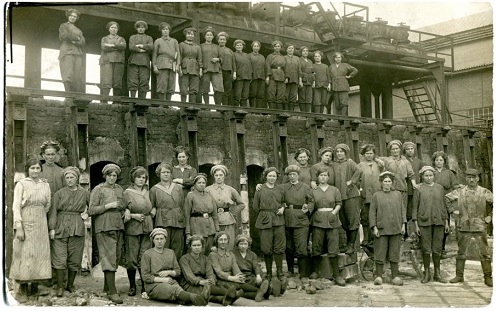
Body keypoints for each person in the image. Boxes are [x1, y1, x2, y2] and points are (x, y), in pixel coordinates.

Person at [10, 159, 52, 303]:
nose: (35, 171)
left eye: (37, 168)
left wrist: (39, 214)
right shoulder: (21, 184)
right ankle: (22, 288)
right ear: (28, 169)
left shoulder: (45, 184)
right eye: (32, 168)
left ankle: (34, 286)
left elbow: (48, 204)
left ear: (41, 170)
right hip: (25, 221)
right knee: (24, 253)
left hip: (41, 222)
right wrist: (19, 226)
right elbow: (16, 206)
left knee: (39, 254)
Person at [445, 168, 493, 287]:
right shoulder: (459, 191)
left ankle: (488, 277)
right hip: (464, 225)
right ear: (466, 178)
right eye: (468, 177)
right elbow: (446, 199)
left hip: (479, 225)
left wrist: (490, 216)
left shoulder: (484, 192)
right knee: (461, 252)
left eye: (473, 177)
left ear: (478, 179)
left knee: (484, 253)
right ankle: (459, 276)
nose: (471, 180)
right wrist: (452, 211)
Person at [48, 166, 90, 297]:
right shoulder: (59, 194)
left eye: (72, 177)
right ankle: (60, 286)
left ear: (77, 178)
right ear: (64, 179)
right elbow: (53, 212)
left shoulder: (84, 193)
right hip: (61, 225)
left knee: (75, 257)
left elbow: (93, 206)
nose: (70, 180)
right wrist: (52, 229)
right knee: (59, 257)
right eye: (67, 177)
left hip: (77, 226)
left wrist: (87, 214)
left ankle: (70, 285)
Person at [88, 163, 125, 304]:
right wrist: (107, 206)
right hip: (104, 226)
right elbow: (91, 210)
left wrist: (125, 210)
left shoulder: (120, 189)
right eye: (110, 175)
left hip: (118, 226)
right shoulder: (98, 189)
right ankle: (113, 292)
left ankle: (107, 287)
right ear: (105, 176)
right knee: (108, 256)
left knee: (115, 256)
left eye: (115, 175)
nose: (112, 177)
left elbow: (124, 204)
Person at [141, 228, 207, 305]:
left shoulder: (170, 252)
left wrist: (169, 272)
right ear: (153, 240)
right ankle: (193, 298)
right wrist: (163, 280)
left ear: (165, 240)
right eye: (157, 239)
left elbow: (178, 271)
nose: (159, 241)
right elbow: (145, 276)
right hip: (154, 285)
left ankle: (191, 299)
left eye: (162, 239)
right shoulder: (148, 254)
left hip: (171, 282)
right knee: (175, 290)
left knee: (179, 293)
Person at [252, 167, 286, 296]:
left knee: (279, 246)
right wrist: (265, 213)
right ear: (265, 177)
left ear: (277, 177)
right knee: (266, 247)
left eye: (274, 176)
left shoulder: (280, 189)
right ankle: (269, 274)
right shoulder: (260, 189)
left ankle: (279, 272)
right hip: (265, 219)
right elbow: (255, 206)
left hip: (278, 219)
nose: (272, 178)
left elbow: (284, 202)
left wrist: (283, 208)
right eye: (269, 176)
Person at [412, 166, 449, 284]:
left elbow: (444, 206)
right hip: (424, 222)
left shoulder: (440, 188)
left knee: (437, 248)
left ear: (434, 176)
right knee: (426, 248)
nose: (428, 178)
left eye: (431, 175)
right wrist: (416, 224)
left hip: (439, 221)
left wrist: (446, 221)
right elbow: (414, 208)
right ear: (422, 177)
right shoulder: (418, 189)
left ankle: (437, 273)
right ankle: (427, 273)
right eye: (426, 176)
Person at [310, 168, 346, 286]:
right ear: (318, 177)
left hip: (332, 218)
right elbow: (311, 204)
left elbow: (339, 203)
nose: (323, 177)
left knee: (333, 244)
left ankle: (336, 274)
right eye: (321, 175)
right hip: (318, 218)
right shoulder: (313, 190)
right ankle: (315, 271)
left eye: (325, 175)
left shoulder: (334, 190)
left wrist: (333, 213)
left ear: (328, 177)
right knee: (317, 244)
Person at [123, 166, 155, 298]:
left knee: (145, 256)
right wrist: (131, 213)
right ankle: (132, 285)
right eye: (138, 177)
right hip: (133, 226)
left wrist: (154, 210)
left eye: (143, 178)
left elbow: (154, 204)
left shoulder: (148, 192)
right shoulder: (127, 192)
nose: (141, 180)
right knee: (132, 258)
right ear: (133, 178)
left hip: (147, 226)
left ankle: (144, 285)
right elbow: (122, 207)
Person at [179, 234, 238, 305]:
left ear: (202, 246)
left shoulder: (205, 259)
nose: (197, 247)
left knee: (208, 288)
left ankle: (223, 299)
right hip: (190, 284)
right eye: (194, 245)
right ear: (190, 247)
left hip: (204, 281)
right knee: (206, 288)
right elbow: (189, 276)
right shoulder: (184, 259)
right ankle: (230, 294)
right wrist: (200, 281)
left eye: (199, 245)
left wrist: (211, 280)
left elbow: (210, 273)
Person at [370, 171, 405, 286]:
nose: (387, 184)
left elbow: (402, 210)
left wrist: (403, 225)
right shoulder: (376, 196)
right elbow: (372, 213)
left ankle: (395, 276)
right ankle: (379, 276)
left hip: (396, 228)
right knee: (380, 252)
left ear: (392, 182)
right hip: (381, 229)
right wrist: (374, 227)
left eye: (389, 181)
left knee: (394, 252)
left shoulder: (398, 195)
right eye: (385, 181)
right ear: (381, 183)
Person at [209, 232, 263, 303]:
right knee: (238, 286)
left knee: (240, 284)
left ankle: (259, 293)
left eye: (225, 239)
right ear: (217, 241)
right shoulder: (213, 255)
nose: (223, 242)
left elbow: (235, 268)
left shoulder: (231, 254)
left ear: (228, 241)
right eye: (220, 240)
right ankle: (260, 291)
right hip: (219, 280)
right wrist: (232, 278)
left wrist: (240, 276)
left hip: (231, 279)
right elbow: (218, 272)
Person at [281, 165, 314, 278]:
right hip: (287, 218)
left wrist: (308, 208)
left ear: (298, 175)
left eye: (294, 174)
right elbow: (276, 197)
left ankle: (303, 272)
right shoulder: (283, 187)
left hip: (301, 219)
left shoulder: (305, 187)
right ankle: (290, 270)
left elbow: (312, 201)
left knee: (301, 246)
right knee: (288, 246)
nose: (292, 176)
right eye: (290, 174)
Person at [150, 162, 186, 260]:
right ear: (159, 174)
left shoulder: (178, 188)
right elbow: (152, 205)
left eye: (168, 172)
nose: (166, 174)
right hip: (163, 220)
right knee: (163, 246)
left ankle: (175, 270)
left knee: (177, 246)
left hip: (177, 220)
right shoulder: (154, 189)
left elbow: (182, 204)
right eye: (163, 172)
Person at [205, 165, 245, 252]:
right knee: (213, 244)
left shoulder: (230, 190)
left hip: (227, 221)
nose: (218, 177)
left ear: (224, 176)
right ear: (213, 176)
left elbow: (241, 204)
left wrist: (232, 213)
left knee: (228, 243)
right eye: (216, 175)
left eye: (221, 175)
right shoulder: (207, 190)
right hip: (212, 220)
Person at [333, 143, 361, 255]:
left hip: (351, 196)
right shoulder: (334, 164)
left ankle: (351, 245)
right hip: (339, 197)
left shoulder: (350, 162)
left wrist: (352, 181)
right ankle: (347, 244)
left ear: (345, 153)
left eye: (341, 151)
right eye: (338, 152)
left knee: (353, 220)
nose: (339, 154)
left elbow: (358, 171)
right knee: (343, 221)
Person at [432, 151, 459, 259]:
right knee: (434, 224)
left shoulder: (449, 173)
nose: (439, 162)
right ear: (434, 162)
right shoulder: (431, 172)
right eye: (437, 160)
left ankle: (442, 249)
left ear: (444, 162)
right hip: (433, 201)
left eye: (441, 160)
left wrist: (451, 199)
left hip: (445, 200)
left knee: (444, 223)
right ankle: (434, 249)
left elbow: (455, 186)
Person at [184, 173, 220, 255]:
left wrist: (217, 229)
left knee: (209, 249)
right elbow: (187, 215)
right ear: (195, 184)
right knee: (198, 250)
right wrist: (188, 233)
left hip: (210, 227)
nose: (201, 185)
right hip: (197, 226)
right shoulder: (190, 196)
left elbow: (214, 214)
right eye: (199, 183)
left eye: (203, 183)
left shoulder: (209, 196)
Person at [379, 140, 418, 212]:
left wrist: (414, 184)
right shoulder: (386, 160)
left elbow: (411, 174)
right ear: (390, 150)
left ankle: (403, 223)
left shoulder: (405, 161)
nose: (395, 150)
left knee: (402, 209)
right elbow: (374, 156)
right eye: (393, 149)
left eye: (397, 148)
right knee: (391, 208)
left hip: (402, 189)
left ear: (400, 149)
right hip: (390, 189)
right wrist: (378, 160)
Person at [357, 144, 383, 250]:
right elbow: (356, 178)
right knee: (365, 217)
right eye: (367, 153)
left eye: (371, 153)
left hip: (377, 193)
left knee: (377, 215)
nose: (369, 155)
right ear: (364, 155)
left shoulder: (379, 164)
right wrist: (360, 189)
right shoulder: (360, 165)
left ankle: (376, 237)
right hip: (365, 195)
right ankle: (366, 239)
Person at [233, 234, 271, 301]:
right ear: (237, 245)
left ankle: (264, 290)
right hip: (239, 278)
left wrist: (258, 275)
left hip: (250, 277)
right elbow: (233, 267)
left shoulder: (252, 254)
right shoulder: (233, 254)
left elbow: (256, 266)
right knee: (242, 289)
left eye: (245, 244)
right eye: (241, 244)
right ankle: (265, 292)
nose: (243, 246)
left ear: (248, 245)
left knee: (260, 280)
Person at [58, 8, 85, 92]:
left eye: (75, 16)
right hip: (67, 51)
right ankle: (68, 95)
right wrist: (76, 38)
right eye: (71, 16)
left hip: (77, 53)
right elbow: (64, 36)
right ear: (68, 16)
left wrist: (74, 40)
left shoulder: (79, 30)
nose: (73, 17)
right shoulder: (63, 26)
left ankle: (74, 95)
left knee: (77, 74)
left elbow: (83, 42)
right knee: (68, 73)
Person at [153, 22, 180, 101]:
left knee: (171, 83)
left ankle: (168, 103)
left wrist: (178, 64)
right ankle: (162, 103)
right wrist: (154, 66)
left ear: (169, 31)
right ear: (161, 31)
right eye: (163, 29)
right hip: (161, 64)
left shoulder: (174, 41)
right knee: (162, 83)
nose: (165, 31)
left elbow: (178, 53)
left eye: (167, 29)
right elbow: (154, 54)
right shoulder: (158, 41)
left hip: (172, 64)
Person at [403, 142, 423, 244]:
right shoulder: (403, 161)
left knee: (417, 210)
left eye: (412, 149)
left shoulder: (418, 162)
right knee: (407, 211)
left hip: (417, 189)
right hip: (407, 189)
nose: (410, 151)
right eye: (407, 149)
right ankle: (406, 233)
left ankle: (417, 233)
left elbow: (422, 174)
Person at [99, 21, 126, 97]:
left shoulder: (121, 39)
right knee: (106, 80)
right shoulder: (105, 38)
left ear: (117, 29)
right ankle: (105, 101)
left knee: (117, 81)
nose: (114, 29)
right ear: (109, 29)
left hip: (119, 61)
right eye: (112, 27)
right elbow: (104, 47)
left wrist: (111, 45)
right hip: (107, 61)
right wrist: (116, 47)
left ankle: (116, 101)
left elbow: (123, 47)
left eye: (115, 28)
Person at [127, 21, 153, 98]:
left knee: (144, 80)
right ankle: (132, 101)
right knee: (133, 81)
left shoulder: (149, 38)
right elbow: (131, 47)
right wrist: (141, 50)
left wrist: (140, 45)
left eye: (142, 27)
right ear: (137, 28)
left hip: (145, 62)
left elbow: (151, 47)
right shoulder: (132, 37)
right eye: (139, 27)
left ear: (145, 28)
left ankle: (142, 102)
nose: (140, 29)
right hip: (133, 61)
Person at [200, 26, 224, 105]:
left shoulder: (217, 47)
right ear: (205, 36)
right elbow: (199, 58)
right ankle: (207, 106)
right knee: (205, 89)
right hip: (206, 70)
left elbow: (222, 58)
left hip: (216, 70)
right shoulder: (201, 46)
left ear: (213, 36)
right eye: (207, 35)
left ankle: (218, 106)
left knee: (218, 88)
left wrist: (218, 59)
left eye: (210, 35)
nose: (209, 36)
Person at [179, 27, 202, 103]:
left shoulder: (197, 47)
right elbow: (180, 57)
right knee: (183, 87)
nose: (190, 36)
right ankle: (183, 105)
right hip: (184, 68)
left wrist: (200, 69)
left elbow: (199, 59)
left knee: (194, 88)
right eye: (188, 34)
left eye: (192, 34)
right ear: (186, 35)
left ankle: (192, 105)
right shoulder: (181, 45)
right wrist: (179, 68)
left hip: (195, 69)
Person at [265, 40, 286, 110]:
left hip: (281, 76)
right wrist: (267, 76)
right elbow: (267, 66)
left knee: (281, 93)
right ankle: (272, 112)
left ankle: (279, 112)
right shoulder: (270, 56)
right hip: (272, 75)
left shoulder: (283, 57)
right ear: (273, 48)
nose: (277, 48)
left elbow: (285, 67)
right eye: (276, 46)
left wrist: (286, 77)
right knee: (271, 92)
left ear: (280, 47)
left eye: (278, 46)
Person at [217, 31, 235, 106]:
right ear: (218, 40)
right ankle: (218, 106)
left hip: (228, 71)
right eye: (220, 39)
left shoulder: (230, 50)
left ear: (226, 41)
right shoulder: (216, 48)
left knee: (227, 89)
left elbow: (233, 62)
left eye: (223, 39)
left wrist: (234, 72)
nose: (222, 41)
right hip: (219, 71)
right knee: (219, 89)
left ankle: (225, 106)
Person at [233, 39, 252, 107]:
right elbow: (233, 64)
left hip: (247, 77)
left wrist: (250, 76)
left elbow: (249, 66)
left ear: (243, 46)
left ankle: (243, 109)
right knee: (237, 94)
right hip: (239, 77)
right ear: (235, 46)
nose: (239, 46)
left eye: (240, 45)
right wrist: (234, 73)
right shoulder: (233, 54)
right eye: (237, 45)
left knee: (245, 95)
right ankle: (236, 109)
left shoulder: (246, 55)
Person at [248, 41, 266, 108]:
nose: (256, 48)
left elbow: (264, 67)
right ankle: (253, 110)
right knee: (253, 94)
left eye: (257, 46)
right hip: (253, 77)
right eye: (254, 46)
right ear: (252, 47)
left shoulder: (262, 57)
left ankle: (259, 111)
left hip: (261, 77)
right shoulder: (249, 56)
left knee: (260, 94)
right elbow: (248, 66)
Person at [284, 43, 301, 111]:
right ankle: (285, 111)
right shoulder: (284, 57)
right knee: (286, 95)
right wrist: (285, 77)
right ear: (286, 49)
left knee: (293, 96)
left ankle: (291, 112)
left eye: (292, 48)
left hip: (295, 79)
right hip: (287, 79)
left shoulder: (297, 58)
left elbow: (299, 70)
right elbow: (284, 68)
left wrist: (299, 80)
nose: (291, 49)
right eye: (289, 48)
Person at [298, 46, 314, 113]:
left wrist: (313, 81)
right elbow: (299, 71)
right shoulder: (299, 60)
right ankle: (303, 114)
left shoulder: (310, 61)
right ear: (301, 52)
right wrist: (300, 80)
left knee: (309, 98)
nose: (305, 52)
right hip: (303, 80)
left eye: (306, 51)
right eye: (303, 51)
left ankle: (307, 114)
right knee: (302, 97)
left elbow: (313, 72)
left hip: (309, 81)